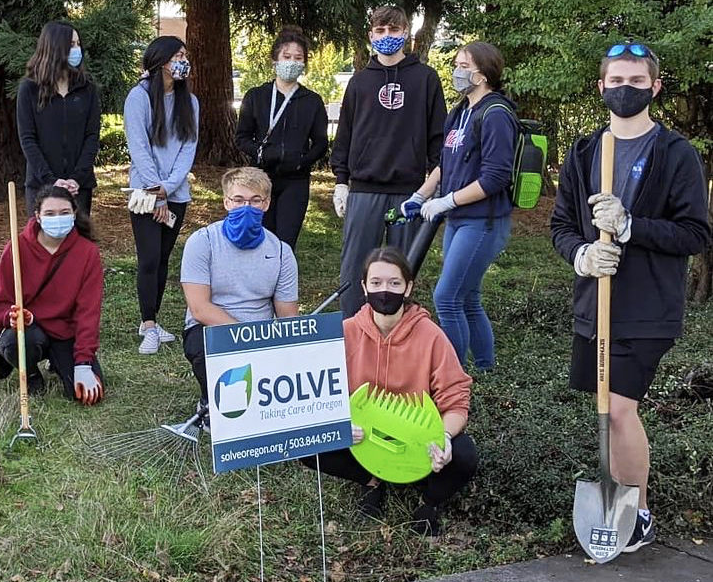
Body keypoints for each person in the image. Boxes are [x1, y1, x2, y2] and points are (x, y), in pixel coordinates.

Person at [551, 41, 710, 553]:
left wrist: (630, 225)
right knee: (605, 406)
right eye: (616, 81)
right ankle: (615, 500)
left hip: (648, 305)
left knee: (619, 408)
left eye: (637, 82)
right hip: (595, 301)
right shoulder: (582, 152)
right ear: (601, 86)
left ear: (655, 88)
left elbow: (694, 234)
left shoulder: (676, 153)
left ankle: (637, 511)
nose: (626, 89)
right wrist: (581, 255)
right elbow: (560, 226)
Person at [307, 247, 476, 536]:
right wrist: (340, 424)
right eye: (376, 283)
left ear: (408, 287)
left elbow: (456, 400)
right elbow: (320, 394)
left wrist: (444, 437)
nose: (384, 290)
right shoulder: (345, 332)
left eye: (394, 283)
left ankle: (429, 503)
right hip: (364, 436)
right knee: (307, 441)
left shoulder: (431, 335)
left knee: (464, 456)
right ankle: (371, 481)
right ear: (364, 287)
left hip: (415, 438)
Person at [330, 5, 447, 317]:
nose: (387, 36)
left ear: (405, 33)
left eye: (393, 30)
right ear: (371, 35)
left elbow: (439, 138)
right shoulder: (358, 83)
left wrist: (433, 187)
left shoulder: (426, 79)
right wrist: (341, 182)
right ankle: (354, 334)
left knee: (402, 271)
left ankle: (398, 338)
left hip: (409, 193)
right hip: (364, 190)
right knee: (355, 270)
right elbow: (344, 136)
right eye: (380, 31)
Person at [405, 42, 515, 370]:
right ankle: (484, 366)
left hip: (483, 221)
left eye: (463, 64)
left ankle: (453, 376)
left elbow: (495, 177)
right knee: (467, 297)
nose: (456, 70)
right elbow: (445, 164)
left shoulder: (496, 114)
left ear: (482, 73)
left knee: (446, 297)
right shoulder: (460, 111)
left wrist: (447, 201)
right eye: (456, 63)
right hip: (458, 218)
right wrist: (421, 196)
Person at [180, 168, 298, 410]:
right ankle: (210, 402)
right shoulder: (202, 242)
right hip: (211, 328)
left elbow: (288, 316)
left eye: (255, 201)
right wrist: (245, 337)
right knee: (205, 349)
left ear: (266, 204)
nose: (247, 207)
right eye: (238, 200)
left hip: (262, 333)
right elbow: (200, 308)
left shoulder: (282, 252)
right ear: (226, 202)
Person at [0, 185, 105, 404]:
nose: (57, 218)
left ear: (74, 214)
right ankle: (30, 374)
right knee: (16, 341)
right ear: (38, 217)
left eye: (64, 213)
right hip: (29, 330)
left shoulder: (88, 253)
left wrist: (84, 362)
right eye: (50, 214)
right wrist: (11, 317)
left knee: (86, 396)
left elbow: (89, 311)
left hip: (64, 332)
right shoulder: (17, 247)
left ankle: (61, 362)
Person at [125, 35, 199, 354]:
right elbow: (138, 147)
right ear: (160, 61)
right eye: (177, 55)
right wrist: (156, 192)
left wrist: (168, 189)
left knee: (165, 257)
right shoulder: (138, 97)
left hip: (176, 194)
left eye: (185, 54)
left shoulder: (189, 102)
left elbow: (187, 149)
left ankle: (153, 320)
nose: (183, 60)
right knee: (149, 257)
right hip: (144, 192)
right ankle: (148, 325)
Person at [235, 26, 330, 250]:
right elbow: (242, 137)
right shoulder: (256, 96)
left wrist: (302, 161)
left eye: (298, 58)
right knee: (259, 239)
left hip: (295, 181)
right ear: (275, 60)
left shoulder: (312, 101)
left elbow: (320, 143)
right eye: (286, 57)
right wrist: (261, 152)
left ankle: (282, 283)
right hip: (260, 178)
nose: (292, 62)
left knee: (285, 243)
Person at [18, 21, 102, 215]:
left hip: (79, 188)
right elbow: (27, 139)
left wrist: (76, 179)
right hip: (41, 186)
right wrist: (51, 180)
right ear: (55, 47)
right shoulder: (30, 89)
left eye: (78, 44)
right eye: (71, 45)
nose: (77, 50)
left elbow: (92, 136)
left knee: (77, 243)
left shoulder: (87, 88)